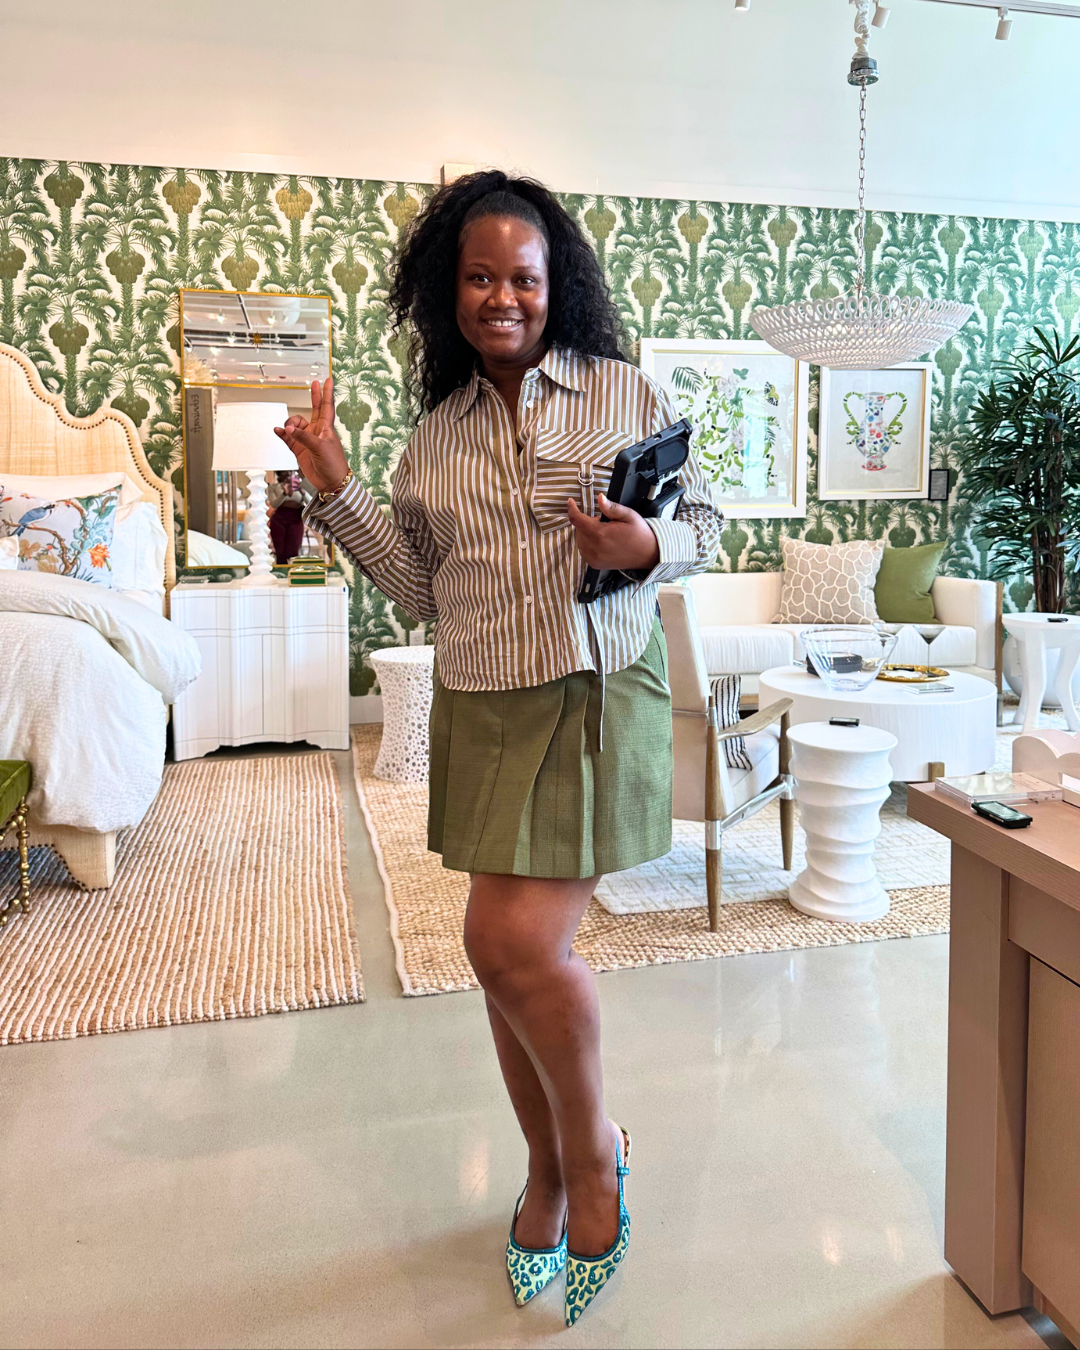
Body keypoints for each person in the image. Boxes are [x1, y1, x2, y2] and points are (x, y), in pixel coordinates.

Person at [275, 170, 722, 1325]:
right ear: (449, 292)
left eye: (523, 277)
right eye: (480, 278)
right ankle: (546, 1165)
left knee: (507, 939)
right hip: (483, 700)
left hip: (588, 690)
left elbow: (706, 527)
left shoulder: (624, 391)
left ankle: (591, 1157)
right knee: (504, 960)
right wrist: (334, 488)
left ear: (553, 284)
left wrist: (645, 546)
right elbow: (422, 590)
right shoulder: (432, 441)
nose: (502, 298)